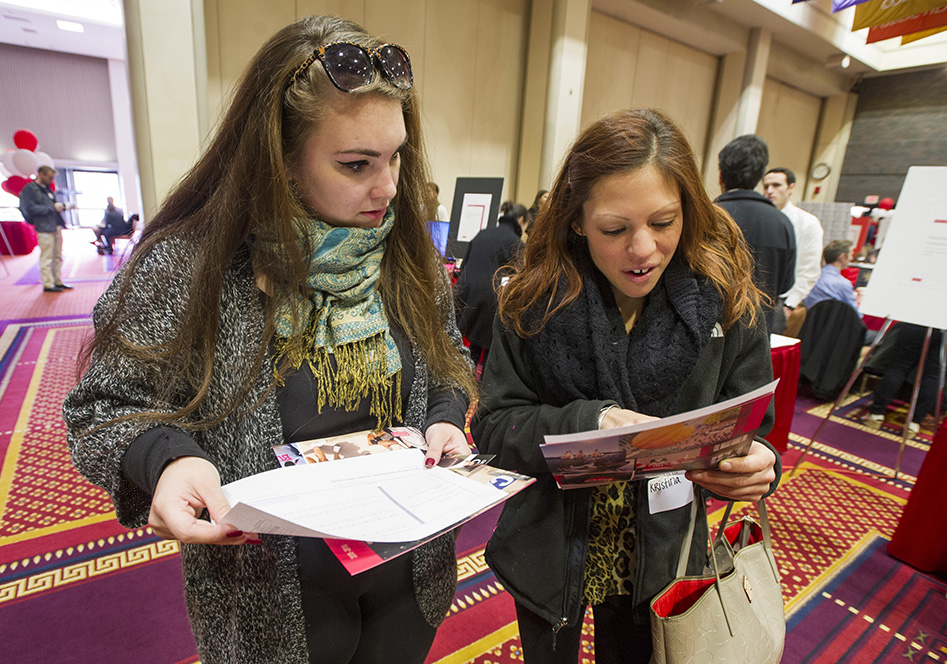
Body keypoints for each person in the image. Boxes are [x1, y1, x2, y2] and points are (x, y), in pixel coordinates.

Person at [63, 16, 477, 664]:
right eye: (356, 164)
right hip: (272, 604)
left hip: (406, 581)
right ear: (280, 160)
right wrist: (167, 460)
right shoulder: (188, 267)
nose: (389, 186)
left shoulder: (406, 256)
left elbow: (445, 360)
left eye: (395, 155)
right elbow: (101, 408)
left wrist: (446, 417)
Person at [471, 108, 781, 664]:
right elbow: (496, 427)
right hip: (550, 545)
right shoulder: (530, 301)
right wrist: (591, 423)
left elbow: (754, 423)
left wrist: (759, 464)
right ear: (576, 221)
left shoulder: (727, 301)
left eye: (664, 223)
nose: (643, 250)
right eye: (615, 230)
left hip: (664, 552)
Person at [715, 135, 795, 335]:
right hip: (758, 337)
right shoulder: (782, 223)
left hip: (713, 336)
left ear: (721, 176)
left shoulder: (709, 218)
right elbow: (785, 284)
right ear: (760, 178)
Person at [455, 203, 527, 368]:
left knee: (465, 344)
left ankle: (465, 383)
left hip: (464, 290)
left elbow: (464, 264)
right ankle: (482, 389)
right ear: (521, 220)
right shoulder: (515, 242)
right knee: (489, 351)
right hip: (490, 296)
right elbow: (519, 277)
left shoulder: (483, 233)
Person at [762, 167, 824, 326]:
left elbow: (810, 270)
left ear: (791, 188)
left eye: (776, 185)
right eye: (766, 186)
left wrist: (790, 305)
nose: (770, 191)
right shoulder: (760, 218)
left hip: (780, 303)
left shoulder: (807, 223)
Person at [866, 324, 943, 434]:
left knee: (898, 367)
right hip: (943, 330)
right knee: (932, 376)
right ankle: (914, 424)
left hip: (918, 322)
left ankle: (876, 414)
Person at [18, 165, 73, 292]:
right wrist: (52, 208)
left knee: (57, 256)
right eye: (49, 177)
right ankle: (48, 283)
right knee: (47, 257)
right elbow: (29, 209)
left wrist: (61, 207)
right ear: (41, 174)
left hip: (55, 225)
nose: (51, 180)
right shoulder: (30, 189)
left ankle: (57, 280)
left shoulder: (47, 189)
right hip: (44, 227)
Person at [801, 240, 860, 315]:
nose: (851, 258)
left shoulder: (811, 277)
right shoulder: (844, 284)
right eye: (851, 254)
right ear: (843, 257)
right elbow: (855, 314)